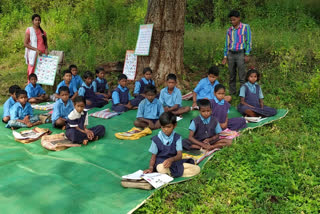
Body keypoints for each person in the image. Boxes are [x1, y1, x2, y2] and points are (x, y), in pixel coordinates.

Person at [144, 112, 200, 178]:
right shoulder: (156, 139)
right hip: (162, 164)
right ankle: (174, 173)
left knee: (197, 169)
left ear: (174, 125)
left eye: (168, 127)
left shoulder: (177, 137)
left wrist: (171, 160)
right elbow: (153, 157)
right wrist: (150, 168)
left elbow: (179, 155)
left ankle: (169, 174)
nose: (165, 129)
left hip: (175, 163)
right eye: (163, 127)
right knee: (161, 168)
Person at [222, 10, 252, 95]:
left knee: (242, 75)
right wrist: (225, 56)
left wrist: (247, 54)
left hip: (240, 53)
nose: (232, 22)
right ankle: (232, 93)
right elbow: (226, 44)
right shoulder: (229, 30)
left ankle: (242, 94)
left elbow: (248, 41)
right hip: (231, 54)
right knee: (232, 75)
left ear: (239, 18)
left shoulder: (245, 27)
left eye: (234, 20)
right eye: (231, 20)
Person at [24, 14, 48, 80]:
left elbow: (45, 43)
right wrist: (36, 50)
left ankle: (39, 85)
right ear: (32, 21)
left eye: (39, 20)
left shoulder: (43, 32)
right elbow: (25, 44)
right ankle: (30, 86)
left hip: (42, 54)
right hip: (34, 54)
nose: (37, 21)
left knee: (41, 70)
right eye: (36, 20)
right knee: (32, 70)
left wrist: (46, 49)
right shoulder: (29, 30)